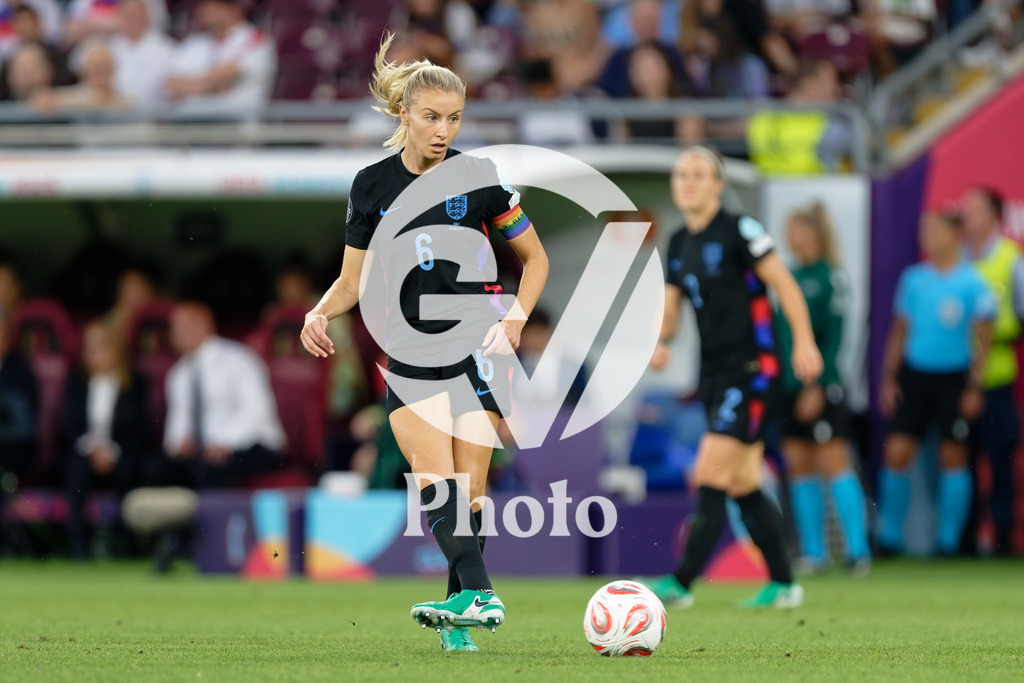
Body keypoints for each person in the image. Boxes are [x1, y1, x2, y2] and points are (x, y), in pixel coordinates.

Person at [300, 33, 548, 652]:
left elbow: (536, 259)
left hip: (479, 350)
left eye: (454, 118)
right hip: (410, 352)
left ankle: (461, 617)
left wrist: (516, 317)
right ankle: (481, 595)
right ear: (402, 114)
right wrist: (320, 312)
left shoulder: (480, 179)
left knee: (472, 491)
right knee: (435, 480)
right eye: (432, 117)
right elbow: (351, 281)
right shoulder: (371, 187)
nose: (444, 130)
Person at [644, 146, 822, 608]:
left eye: (698, 174)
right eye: (681, 174)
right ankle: (785, 584)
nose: (687, 182)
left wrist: (803, 341)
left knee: (709, 471)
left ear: (718, 186)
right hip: (716, 374)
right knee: (742, 481)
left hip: (753, 371)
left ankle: (681, 584)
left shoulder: (741, 230)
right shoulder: (679, 242)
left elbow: (784, 284)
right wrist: (662, 341)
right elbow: (672, 307)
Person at [877, 212, 994, 557]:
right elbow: (899, 331)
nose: (928, 237)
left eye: (935, 230)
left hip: (954, 379)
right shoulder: (914, 279)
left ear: (955, 234)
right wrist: (889, 378)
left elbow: (982, 341)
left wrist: (974, 387)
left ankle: (948, 542)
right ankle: (889, 539)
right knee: (897, 452)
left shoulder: (973, 282)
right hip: (915, 376)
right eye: (924, 230)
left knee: (952, 457)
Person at [774, 203, 870, 575]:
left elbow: (834, 339)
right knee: (798, 465)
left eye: (795, 229)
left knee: (834, 462)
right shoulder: (787, 277)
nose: (789, 238)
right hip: (787, 387)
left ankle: (857, 551)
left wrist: (817, 384)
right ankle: (814, 553)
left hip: (820, 386)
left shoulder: (831, 276)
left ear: (814, 233)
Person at [155, 301, 285, 489]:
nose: (176, 334)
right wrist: (179, 444)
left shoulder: (239, 359)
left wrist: (224, 441)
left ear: (205, 324)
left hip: (251, 445)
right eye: (174, 328)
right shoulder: (178, 374)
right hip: (204, 451)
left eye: (184, 326)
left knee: (205, 470)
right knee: (157, 470)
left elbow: (257, 411)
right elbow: (177, 423)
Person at [960, 186, 1021, 556]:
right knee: (960, 457)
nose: (968, 216)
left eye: (976, 209)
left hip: (998, 372)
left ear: (996, 217)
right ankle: (963, 538)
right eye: (965, 209)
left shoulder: (1012, 259)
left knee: (1001, 458)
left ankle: (1002, 536)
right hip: (955, 372)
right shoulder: (957, 258)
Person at [62, 318, 147, 559]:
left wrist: (110, 451)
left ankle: (131, 546)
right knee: (76, 472)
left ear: (116, 350)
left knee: (128, 473)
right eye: (89, 348)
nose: (94, 354)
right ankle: (78, 547)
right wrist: (93, 449)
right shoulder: (76, 381)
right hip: (86, 452)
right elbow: (69, 424)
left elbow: (138, 429)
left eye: (101, 347)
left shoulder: (134, 383)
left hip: (120, 453)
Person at [162, 0, 275, 116]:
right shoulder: (194, 42)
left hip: (236, 125)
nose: (205, 10)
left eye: (214, 5)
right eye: (203, 5)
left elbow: (226, 74)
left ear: (235, 9)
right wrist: (210, 87)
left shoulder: (254, 37)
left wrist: (191, 86)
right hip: (191, 123)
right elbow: (170, 84)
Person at [746, 59, 853, 175]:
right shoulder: (832, 126)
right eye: (832, 81)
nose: (836, 89)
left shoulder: (760, 119)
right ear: (809, 84)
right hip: (817, 189)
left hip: (766, 190)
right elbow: (868, 149)